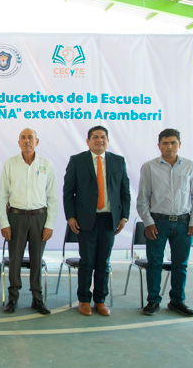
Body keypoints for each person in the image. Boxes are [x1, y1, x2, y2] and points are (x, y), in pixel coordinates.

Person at [63, 126, 130, 316]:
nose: (99, 140)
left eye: (103, 137)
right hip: (85, 221)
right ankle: (84, 299)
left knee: (103, 262)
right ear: (88, 141)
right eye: (95, 137)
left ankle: (100, 300)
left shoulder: (118, 161)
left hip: (110, 220)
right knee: (87, 262)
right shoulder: (77, 161)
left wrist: (124, 216)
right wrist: (71, 217)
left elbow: (125, 192)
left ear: (107, 140)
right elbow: (68, 191)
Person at [137, 129, 193, 317]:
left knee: (180, 264)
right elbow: (143, 198)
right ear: (158, 145)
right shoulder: (149, 167)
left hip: (184, 224)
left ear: (180, 145)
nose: (169, 146)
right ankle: (153, 301)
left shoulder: (190, 166)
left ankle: (177, 301)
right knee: (154, 263)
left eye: (173, 142)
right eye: (165, 143)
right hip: (158, 223)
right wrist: (148, 223)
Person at [0, 128, 58, 315]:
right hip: (16, 217)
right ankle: (12, 298)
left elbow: (53, 197)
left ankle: (37, 299)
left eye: (30, 137)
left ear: (37, 142)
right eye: (23, 138)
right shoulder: (10, 164)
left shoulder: (46, 164)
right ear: (18, 142)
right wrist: (4, 222)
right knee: (14, 260)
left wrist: (50, 225)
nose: (27, 141)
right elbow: (2, 196)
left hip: (40, 217)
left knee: (36, 260)